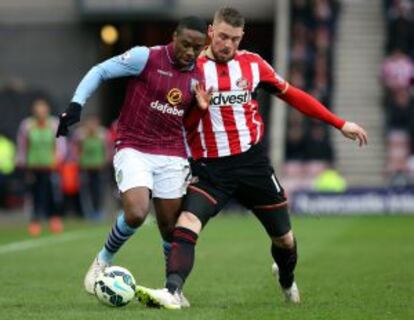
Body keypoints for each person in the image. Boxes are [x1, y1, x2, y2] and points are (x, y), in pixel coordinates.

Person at [136, 7, 368, 309]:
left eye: (233, 38)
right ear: (210, 32)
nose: (227, 44)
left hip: (253, 164)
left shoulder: (253, 65)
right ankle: (172, 291)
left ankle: (286, 278)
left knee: (284, 239)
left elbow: (293, 94)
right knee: (187, 222)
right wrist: (199, 109)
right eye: (222, 37)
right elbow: (180, 124)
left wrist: (340, 124)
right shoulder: (191, 70)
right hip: (210, 169)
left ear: (241, 37)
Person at [55, 16, 210, 305]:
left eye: (197, 47)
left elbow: (186, 122)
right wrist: (76, 104)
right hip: (134, 145)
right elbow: (100, 71)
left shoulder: (199, 77)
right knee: (138, 211)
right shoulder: (145, 57)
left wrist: (200, 114)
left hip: (172, 152)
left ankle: (171, 289)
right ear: (174, 37)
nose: (190, 52)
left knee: (169, 225)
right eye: (186, 44)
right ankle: (102, 260)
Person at [16, 98, 65, 236]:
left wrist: (58, 160)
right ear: (33, 111)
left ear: (47, 110)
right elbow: (22, 145)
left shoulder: (54, 124)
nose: (40, 112)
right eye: (38, 109)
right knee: (34, 194)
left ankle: (54, 219)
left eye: (43, 109)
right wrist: (22, 161)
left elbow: (60, 144)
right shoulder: (27, 125)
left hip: (51, 165)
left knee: (52, 193)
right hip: (33, 165)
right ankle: (35, 221)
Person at [72, 115, 112, 220]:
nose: (92, 126)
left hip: (99, 168)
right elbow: (75, 150)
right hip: (85, 168)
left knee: (98, 191)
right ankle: (87, 212)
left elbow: (108, 150)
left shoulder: (103, 134)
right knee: (85, 191)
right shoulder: (80, 135)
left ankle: (98, 211)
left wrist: (104, 162)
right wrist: (78, 161)